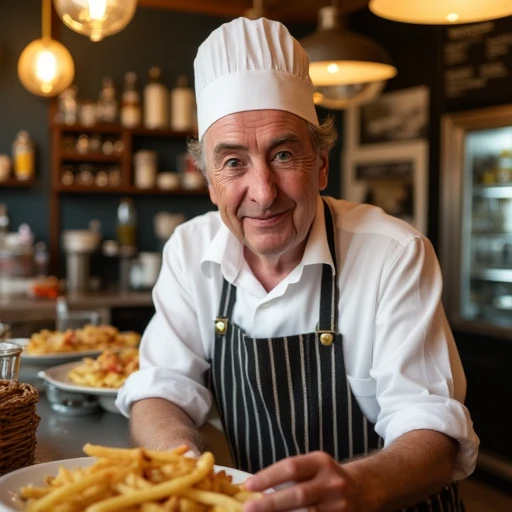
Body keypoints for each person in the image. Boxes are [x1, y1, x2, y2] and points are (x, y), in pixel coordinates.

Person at [117, 17, 479, 511]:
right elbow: (162, 388)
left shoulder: (394, 254)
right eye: (233, 163)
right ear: (208, 182)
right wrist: (177, 464)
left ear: (322, 164)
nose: (263, 194)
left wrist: (361, 487)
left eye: (284, 154)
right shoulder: (188, 250)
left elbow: (431, 430)